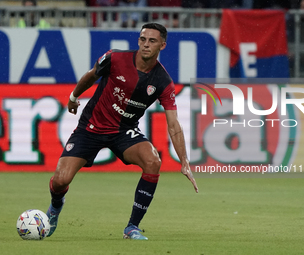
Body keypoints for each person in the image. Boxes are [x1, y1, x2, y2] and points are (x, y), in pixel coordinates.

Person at [45, 22, 198, 240]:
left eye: (152, 41)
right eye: (142, 39)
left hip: (123, 131)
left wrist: (184, 161)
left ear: (162, 46)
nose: (146, 45)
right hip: (91, 127)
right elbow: (91, 75)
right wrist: (73, 96)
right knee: (60, 180)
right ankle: (55, 206)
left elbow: (173, 123)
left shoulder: (163, 82)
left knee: (153, 161)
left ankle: (132, 227)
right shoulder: (115, 58)